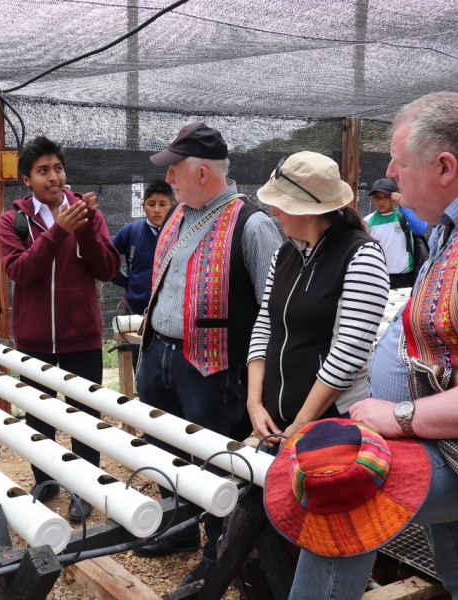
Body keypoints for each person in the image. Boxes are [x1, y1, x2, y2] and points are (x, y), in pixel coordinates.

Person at [283, 92, 458, 599]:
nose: (391, 174)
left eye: (399, 161)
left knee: (343, 498)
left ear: (444, 167)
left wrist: (400, 416)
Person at [132, 122, 282, 586]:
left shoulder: (253, 224)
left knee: (217, 460)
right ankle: (180, 529)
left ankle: (222, 551)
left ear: (200, 173)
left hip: (213, 366)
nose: (168, 179)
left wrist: (258, 384)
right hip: (160, 353)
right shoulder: (180, 213)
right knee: (163, 447)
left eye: (175, 170)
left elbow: (273, 309)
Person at [0, 135, 120, 522]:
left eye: (58, 168)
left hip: (81, 337)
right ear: (26, 180)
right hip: (33, 340)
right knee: (38, 414)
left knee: (84, 415)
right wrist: (57, 233)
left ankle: (84, 487)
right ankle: (46, 481)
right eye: (43, 171)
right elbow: (20, 271)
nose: (54, 177)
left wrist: (82, 228)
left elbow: (108, 269)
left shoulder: (87, 214)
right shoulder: (12, 220)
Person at [246, 152, 389, 450]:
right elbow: (264, 326)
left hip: (330, 422)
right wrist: (255, 403)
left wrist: (299, 426)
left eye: (281, 204)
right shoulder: (284, 254)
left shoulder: (362, 256)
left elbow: (348, 353)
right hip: (277, 418)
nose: (274, 212)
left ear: (308, 211)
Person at [110, 180, 174, 316]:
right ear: (143, 205)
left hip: (171, 310)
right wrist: (128, 282)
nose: (157, 209)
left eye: (163, 204)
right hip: (136, 309)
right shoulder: (131, 231)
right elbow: (105, 259)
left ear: (172, 207)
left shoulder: (179, 233)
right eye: (151, 204)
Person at [363, 178, 427, 288]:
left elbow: (421, 229)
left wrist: (403, 205)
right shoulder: (368, 221)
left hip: (405, 277)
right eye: (377, 198)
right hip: (378, 277)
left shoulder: (404, 215)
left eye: (386, 197)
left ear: (393, 197)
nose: (381, 202)